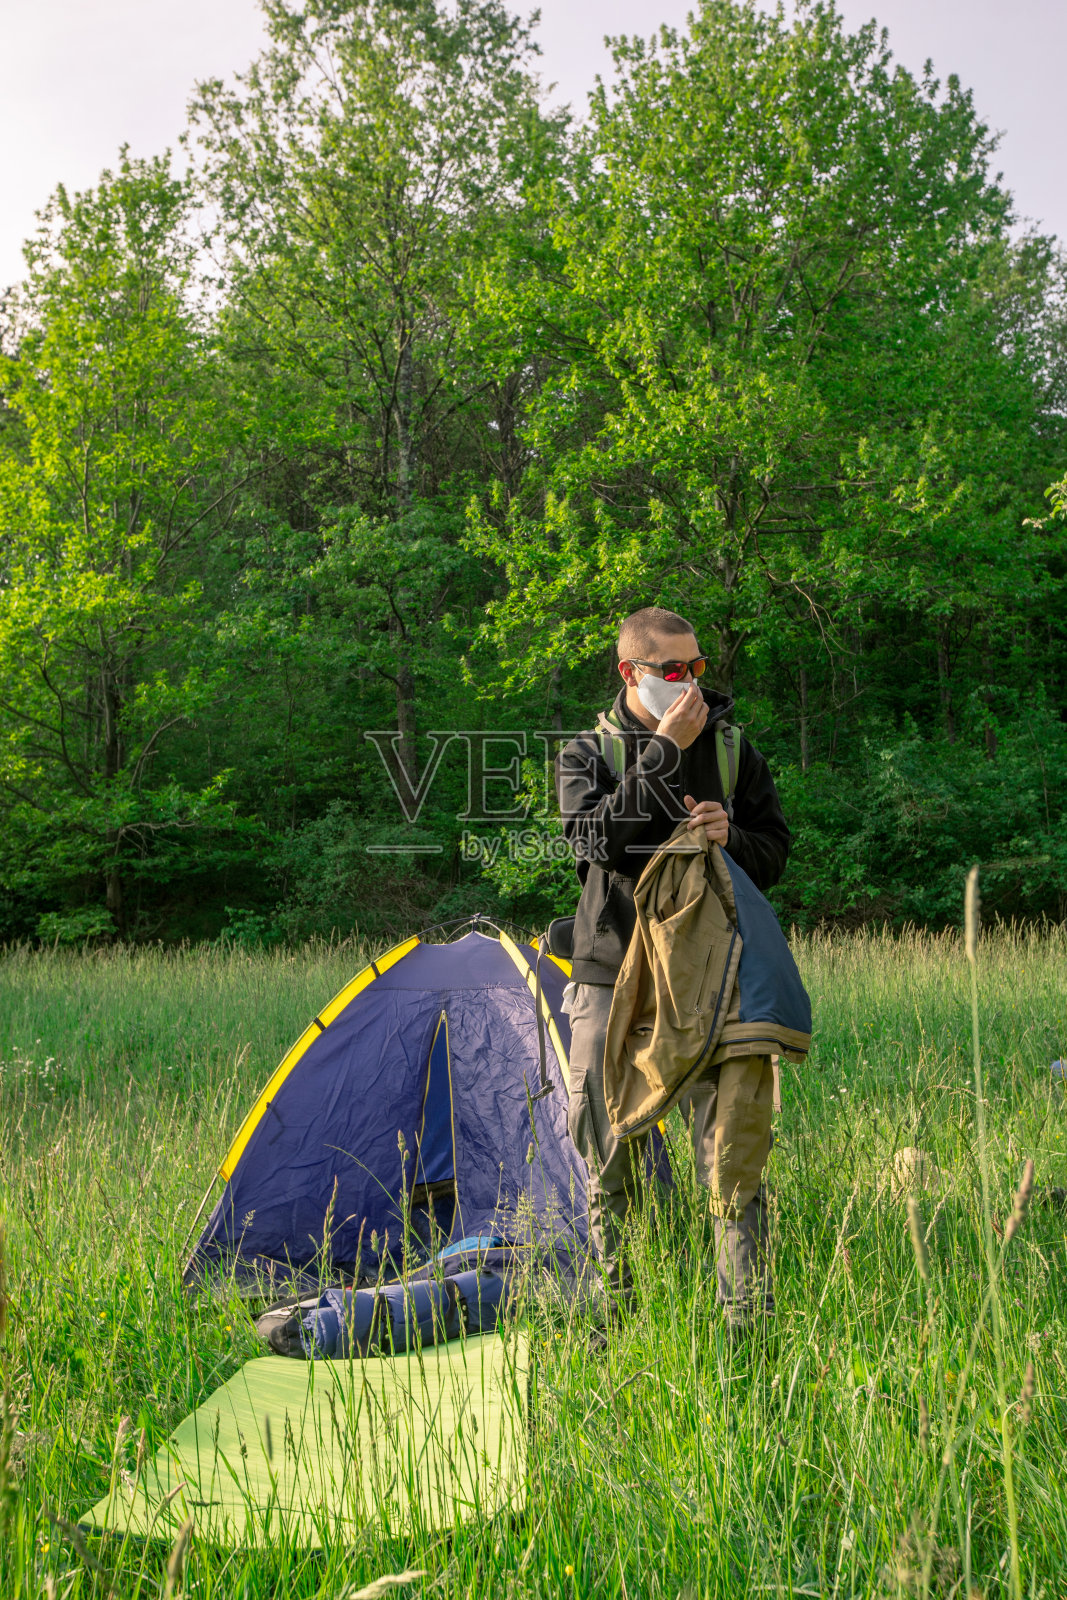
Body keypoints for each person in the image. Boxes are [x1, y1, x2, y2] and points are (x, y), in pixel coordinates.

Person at [556, 605, 792, 1337]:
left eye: (696, 668)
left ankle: (744, 1326)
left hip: (713, 975)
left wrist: (735, 838)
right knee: (604, 1148)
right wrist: (661, 750)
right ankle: (612, 1319)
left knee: (731, 1155)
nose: (690, 683)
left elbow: (774, 850)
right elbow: (593, 842)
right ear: (631, 673)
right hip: (611, 967)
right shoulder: (585, 753)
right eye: (672, 671)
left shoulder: (730, 749)